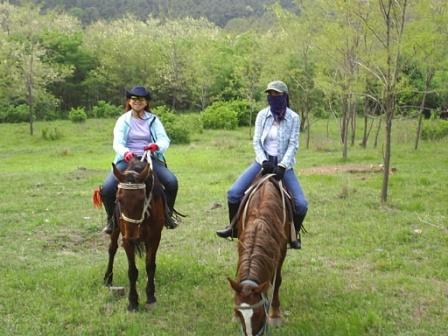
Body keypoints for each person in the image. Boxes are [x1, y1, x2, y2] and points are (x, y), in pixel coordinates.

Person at [216, 80, 308, 249]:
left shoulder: (293, 118)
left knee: (301, 204)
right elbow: (257, 141)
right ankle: (234, 228)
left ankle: (293, 233)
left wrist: (282, 165)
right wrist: (263, 160)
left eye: (276, 94)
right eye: (270, 94)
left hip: (283, 165)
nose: (273, 97)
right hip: (262, 162)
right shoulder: (262, 115)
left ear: (284, 96)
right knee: (233, 193)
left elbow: (294, 144)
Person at [101, 86, 179, 233]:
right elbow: (117, 142)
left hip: (149, 159)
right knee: (107, 189)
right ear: (129, 101)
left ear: (146, 102)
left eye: (141, 99)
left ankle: (167, 215)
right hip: (127, 160)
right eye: (134, 99)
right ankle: (112, 220)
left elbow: (164, 139)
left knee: (171, 182)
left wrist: (156, 146)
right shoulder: (123, 120)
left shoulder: (154, 120)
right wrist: (125, 152)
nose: (137, 102)